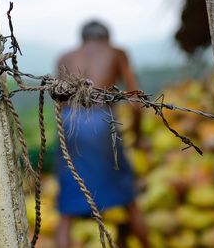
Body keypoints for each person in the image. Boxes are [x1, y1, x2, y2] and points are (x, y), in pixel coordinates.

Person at [54, 20, 149, 248]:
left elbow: (57, 100)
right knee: (128, 198)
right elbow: (136, 102)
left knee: (67, 208)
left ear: (83, 38)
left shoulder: (65, 56)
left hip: (69, 123)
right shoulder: (116, 53)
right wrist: (137, 135)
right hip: (101, 121)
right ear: (107, 38)